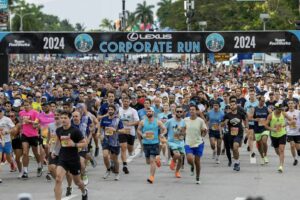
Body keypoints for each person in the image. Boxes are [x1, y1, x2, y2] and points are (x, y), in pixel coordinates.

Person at [54, 111, 88, 200]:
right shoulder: (59, 130)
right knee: (58, 179)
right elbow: (58, 142)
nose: (63, 120)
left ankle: (84, 191)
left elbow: (84, 143)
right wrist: (54, 152)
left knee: (77, 182)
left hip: (73, 159)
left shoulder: (75, 131)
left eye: (65, 118)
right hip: (63, 157)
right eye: (62, 118)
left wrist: (74, 145)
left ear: (70, 119)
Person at [137, 107, 166, 184]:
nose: (148, 112)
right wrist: (142, 134)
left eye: (150, 111)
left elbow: (164, 129)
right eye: (147, 111)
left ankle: (151, 177)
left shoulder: (158, 122)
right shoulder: (142, 122)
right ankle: (157, 160)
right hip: (146, 143)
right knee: (148, 161)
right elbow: (138, 130)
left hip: (154, 143)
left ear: (153, 112)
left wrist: (162, 134)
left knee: (152, 160)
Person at [100, 105, 129, 181]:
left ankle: (117, 173)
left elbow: (123, 130)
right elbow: (101, 128)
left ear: (115, 111)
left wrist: (115, 130)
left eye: (112, 109)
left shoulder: (118, 120)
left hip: (115, 142)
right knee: (105, 155)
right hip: (106, 140)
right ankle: (108, 169)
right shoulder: (104, 119)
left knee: (115, 159)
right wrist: (101, 135)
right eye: (109, 109)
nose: (110, 111)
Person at [265, 103, 294, 172]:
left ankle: (281, 166)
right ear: (276, 108)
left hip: (282, 134)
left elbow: (292, 120)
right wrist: (273, 129)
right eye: (279, 109)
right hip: (274, 135)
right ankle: (281, 156)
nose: (281, 110)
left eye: (281, 109)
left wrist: (286, 124)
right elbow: (265, 125)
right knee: (277, 150)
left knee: (281, 150)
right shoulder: (270, 115)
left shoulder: (283, 114)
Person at [184, 104, 207, 184]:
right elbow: (182, 129)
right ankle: (192, 166)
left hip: (198, 143)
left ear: (196, 111)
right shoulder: (185, 120)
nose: (191, 111)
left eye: (193, 109)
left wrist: (204, 131)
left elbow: (204, 133)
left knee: (197, 161)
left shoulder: (200, 120)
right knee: (189, 159)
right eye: (190, 109)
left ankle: (197, 177)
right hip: (188, 142)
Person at [19, 100, 43, 179]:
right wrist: (20, 130)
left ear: (30, 105)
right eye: (24, 105)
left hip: (33, 135)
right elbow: (21, 123)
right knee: (25, 152)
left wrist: (29, 121)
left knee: (35, 152)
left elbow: (37, 124)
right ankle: (25, 171)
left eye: (27, 105)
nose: (26, 106)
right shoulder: (21, 113)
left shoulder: (35, 113)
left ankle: (39, 166)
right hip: (24, 134)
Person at [223, 99, 248, 172]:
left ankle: (236, 163)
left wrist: (246, 127)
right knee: (233, 149)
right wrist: (224, 122)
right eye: (231, 105)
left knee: (235, 146)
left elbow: (246, 119)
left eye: (233, 105)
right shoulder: (227, 115)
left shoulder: (240, 114)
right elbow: (222, 124)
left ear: (236, 105)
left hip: (239, 133)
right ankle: (237, 161)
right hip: (230, 134)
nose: (232, 106)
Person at [118, 96, 139, 174]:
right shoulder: (119, 110)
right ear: (122, 102)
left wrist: (130, 123)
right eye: (124, 101)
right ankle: (124, 165)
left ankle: (131, 152)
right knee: (123, 147)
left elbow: (137, 121)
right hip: (122, 131)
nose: (126, 103)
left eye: (127, 101)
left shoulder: (133, 111)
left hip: (131, 132)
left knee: (130, 149)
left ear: (129, 102)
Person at [165, 106, 186, 178]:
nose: (179, 113)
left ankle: (177, 172)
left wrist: (182, 135)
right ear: (175, 112)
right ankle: (173, 162)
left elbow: (184, 131)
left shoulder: (184, 121)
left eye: (180, 111)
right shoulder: (170, 121)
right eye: (178, 111)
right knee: (177, 155)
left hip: (180, 142)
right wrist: (162, 136)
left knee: (180, 159)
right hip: (172, 142)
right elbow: (164, 129)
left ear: (182, 112)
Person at [252, 96, 270, 165]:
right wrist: (255, 119)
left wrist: (268, 121)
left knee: (264, 141)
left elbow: (271, 115)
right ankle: (262, 157)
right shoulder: (254, 109)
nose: (263, 102)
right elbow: (249, 117)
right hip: (257, 128)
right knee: (259, 144)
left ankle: (265, 155)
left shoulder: (266, 109)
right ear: (258, 101)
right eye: (262, 101)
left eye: (264, 101)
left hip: (264, 128)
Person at [0, 107, 16, 183]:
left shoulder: (7, 119)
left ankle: (12, 162)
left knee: (8, 157)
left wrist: (7, 132)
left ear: (2, 113)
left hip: (6, 141)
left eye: (0, 112)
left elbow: (13, 128)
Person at [285, 100, 300, 166]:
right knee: (292, 145)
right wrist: (288, 123)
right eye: (289, 104)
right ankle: (295, 159)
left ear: (294, 104)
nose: (291, 105)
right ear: (288, 105)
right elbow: (284, 123)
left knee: (298, 149)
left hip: (297, 132)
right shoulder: (286, 113)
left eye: (292, 103)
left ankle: (298, 153)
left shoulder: (298, 112)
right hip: (289, 132)